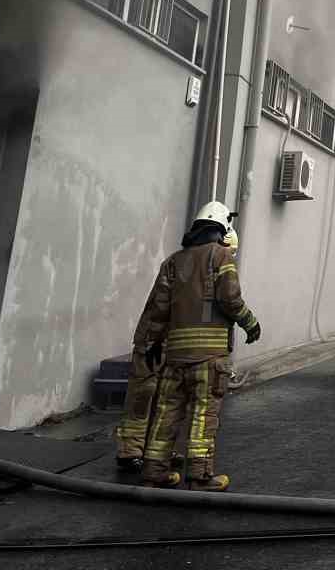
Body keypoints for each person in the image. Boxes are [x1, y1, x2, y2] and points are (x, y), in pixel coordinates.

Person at [133, 201, 261, 491]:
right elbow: (230, 300)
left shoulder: (173, 262)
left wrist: (152, 342)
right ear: (222, 229)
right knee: (203, 416)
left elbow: (158, 308)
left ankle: (154, 473)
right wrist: (251, 323)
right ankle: (201, 477)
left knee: (165, 413)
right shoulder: (222, 256)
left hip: (174, 356)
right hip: (209, 359)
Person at [113, 225, 241, 473]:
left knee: (163, 401)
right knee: (145, 395)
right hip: (155, 341)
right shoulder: (192, 264)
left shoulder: (184, 264)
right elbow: (162, 310)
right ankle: (130, 452)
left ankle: (154, 457)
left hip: (166, 342)